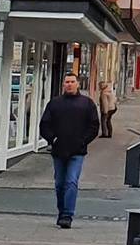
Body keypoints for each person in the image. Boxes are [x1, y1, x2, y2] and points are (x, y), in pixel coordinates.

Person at [40, 73, 101, 228]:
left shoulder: (87, 104)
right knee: (60, 183)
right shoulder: (55, 103)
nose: (69, 84)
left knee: (71, 181)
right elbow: (44, 125)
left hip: (77, 151)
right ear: (63, 84)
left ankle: (67, 215)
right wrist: (53, 139)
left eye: (72, 82)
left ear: (78, 84)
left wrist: (83, 141)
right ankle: (62, 212)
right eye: (67, 82)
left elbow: (94, 126)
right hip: (59, 150)